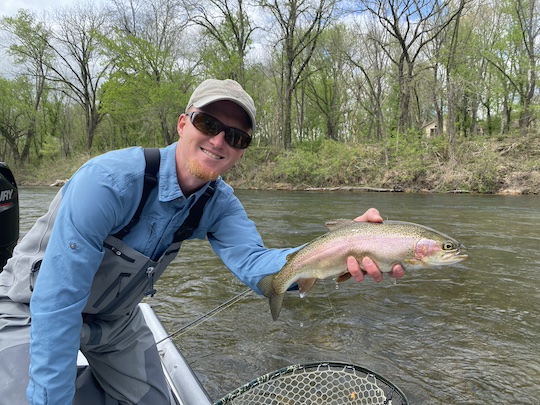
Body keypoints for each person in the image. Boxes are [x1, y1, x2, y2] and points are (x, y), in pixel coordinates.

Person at [0, 78, 404, 405]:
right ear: (182, 124)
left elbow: (256, 263)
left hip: (116, 321)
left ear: (242, 151)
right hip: (32, 310)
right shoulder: (108, 182)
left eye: (236, 137)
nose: (219, 141)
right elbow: (58, 300)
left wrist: (341, 247)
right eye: (209, 124)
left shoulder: (219, 204)